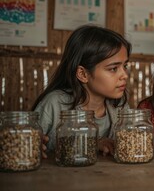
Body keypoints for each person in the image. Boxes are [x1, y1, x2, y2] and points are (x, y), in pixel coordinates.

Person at [32, 25, 131, 156]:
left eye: (125, 66)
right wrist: (32, 145)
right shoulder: (55, 104)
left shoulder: (119, 105)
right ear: (83, 74)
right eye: (113, 68)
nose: (125, 75)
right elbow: (24, 142)